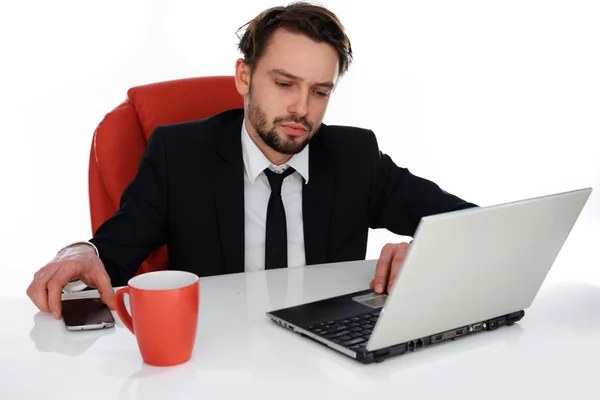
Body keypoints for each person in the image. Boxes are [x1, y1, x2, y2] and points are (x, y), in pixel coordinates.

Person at [27, 2, 477, 319]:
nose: (302, 108)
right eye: (285, 83)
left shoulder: (355, 156)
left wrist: (426, 252)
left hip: (329, 363)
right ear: (244, 77)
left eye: (320, 92)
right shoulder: (177, 155)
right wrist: (80, 252)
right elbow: (114, 249)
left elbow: (472, 225)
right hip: (215, 364)